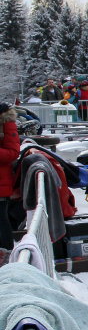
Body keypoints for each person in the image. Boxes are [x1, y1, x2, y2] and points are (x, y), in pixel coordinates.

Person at [0, 103, 20, 252]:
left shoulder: (7, 125)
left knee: (1, 219)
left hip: (2, 181)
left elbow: (12, 153)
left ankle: (6, 251)